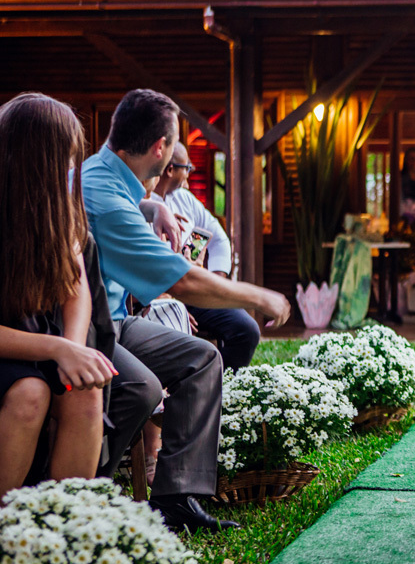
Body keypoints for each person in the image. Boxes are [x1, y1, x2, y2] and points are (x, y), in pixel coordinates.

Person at [82, 88, 290, 533]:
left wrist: (152, 205)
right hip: (88, 328)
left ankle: (176, 500)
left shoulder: (101, 175)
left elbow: (118, 203)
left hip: (115, 320)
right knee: (141, 387)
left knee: (203, 358)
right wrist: (258, 297)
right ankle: (85, 490)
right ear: (161, 148)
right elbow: (183, 281)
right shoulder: (109, 201)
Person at [0, 92, 115, 500]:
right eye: (66, 156)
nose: (72, 166)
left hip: (39, 342)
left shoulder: (57, 211)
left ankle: (65, 522)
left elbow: (76, 290)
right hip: (11, 346)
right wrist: (57, 349)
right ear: (37, 160)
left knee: (84, 390)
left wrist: (73, 348)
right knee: (29, 393)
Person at [152, 143, 261, 370]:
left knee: (246, 330)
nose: (189, 175)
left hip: (194, 291)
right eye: (187, 168)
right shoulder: (143, 203)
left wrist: (215, 282)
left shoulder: (185, 199)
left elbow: (218, 239)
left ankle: (222, 380)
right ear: (170, 169)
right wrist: (173, 303)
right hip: (156, 299)